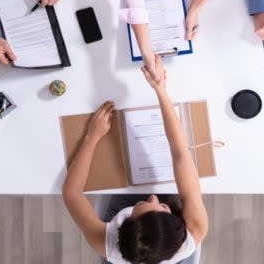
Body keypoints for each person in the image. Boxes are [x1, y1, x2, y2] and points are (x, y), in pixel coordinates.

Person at [62, 56, 208, 264]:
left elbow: (71, 193)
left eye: (143, 204)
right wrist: (160, 90)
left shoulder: (106, 242)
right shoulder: (195, 228)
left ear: (124, 223)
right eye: (162, 207)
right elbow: (181, 153)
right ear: (178, 223)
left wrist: (92, 137)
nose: (153, 197)